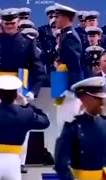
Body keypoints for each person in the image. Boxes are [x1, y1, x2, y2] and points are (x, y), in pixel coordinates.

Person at [0, 75, 50, 180]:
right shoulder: (25, 114)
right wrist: (26, 103)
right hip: (14, 162)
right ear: (16, 95)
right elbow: (45, 122)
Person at [54, 76, 106, 180]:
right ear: (84, 98)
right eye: (97, 98)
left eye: (102, 98)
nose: (101, 102)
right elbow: (61, 164)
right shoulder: (73, 127)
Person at [53, 3, 84, 133]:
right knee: (60, 122)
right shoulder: (65, 35)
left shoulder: (71, 37)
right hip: (61, 82)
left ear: (66, 18)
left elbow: (74, 65)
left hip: (68, 87)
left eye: (58, 16)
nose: (55, 20)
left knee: (67, 124)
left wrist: (70, 89)